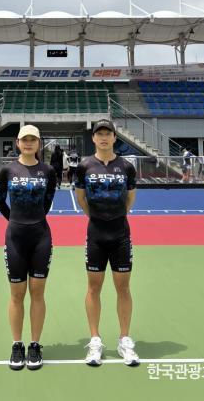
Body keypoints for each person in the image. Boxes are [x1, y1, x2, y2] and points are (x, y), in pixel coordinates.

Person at [74, 119, 139, 367]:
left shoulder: (126, 167)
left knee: (123, 288)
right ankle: (95, 340)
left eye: (107, 134)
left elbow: (130, 198)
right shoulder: (84, 166)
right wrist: (97, 217)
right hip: (96, 235)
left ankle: (124, 340)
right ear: (93, 138)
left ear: (114, 138)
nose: (103, 138)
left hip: (121, 234)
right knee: (94, 288)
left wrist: (116, 216)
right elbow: (81, 198)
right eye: (99, 134)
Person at [0, 125, 57, 371]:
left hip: (41, 237)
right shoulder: (7, 170)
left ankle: (34, 345)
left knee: (38, 293)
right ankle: (17, 344)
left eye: (33, 139)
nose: (29, 143)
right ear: (18, 143)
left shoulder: (48, 171)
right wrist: (15, 221)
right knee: (16, 295)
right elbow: (0, 201)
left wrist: (34, 221)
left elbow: (48, 200)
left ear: (39, 143)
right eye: (25, 139)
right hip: (15, 238)